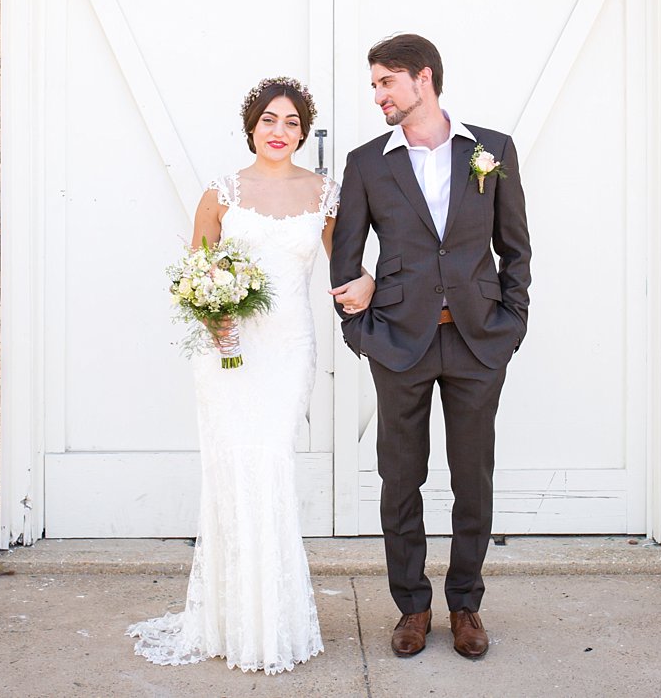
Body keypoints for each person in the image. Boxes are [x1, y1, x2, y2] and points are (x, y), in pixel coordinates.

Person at [128, 77, 374, 675]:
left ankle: (273, 622)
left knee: (270, 465)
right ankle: (226, 619)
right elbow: (195, 268)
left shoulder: (326, 194)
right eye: (270, 120)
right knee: (230, 471)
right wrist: (212, 314)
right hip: (226, 352)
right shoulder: (222, 191)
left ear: (303, 131)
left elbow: (349, 264)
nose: (279, 132)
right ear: (252, 126)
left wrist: (366, 283)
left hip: (288, 348)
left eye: (292, 122)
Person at [329, 34, 531, 660]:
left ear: (423, 78)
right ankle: (412, 606)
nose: (378, 96)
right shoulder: (367, 163)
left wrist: (511, 323)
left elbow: (515, 246)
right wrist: (363, 337)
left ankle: (465, 603)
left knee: (473, 479)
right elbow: (345, 265)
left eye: (385, 82)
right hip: (400, 346)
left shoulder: (492, 151)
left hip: (477, 342)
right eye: (374, 85)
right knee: (400, 480)